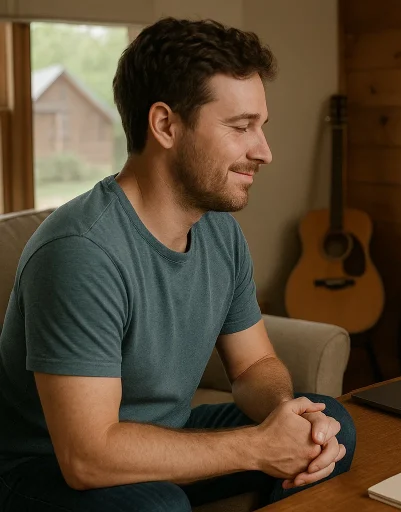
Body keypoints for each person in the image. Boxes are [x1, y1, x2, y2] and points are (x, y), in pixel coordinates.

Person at [0, 17, 355, 512]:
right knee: (156, 505)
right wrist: (256, 447)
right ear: (166, 125)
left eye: (261, 126)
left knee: (334, 424)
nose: (264, 151)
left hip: (164, 437)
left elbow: (254, 365)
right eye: (240, 127)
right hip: (44, 473)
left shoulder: (219, 232)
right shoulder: (81, 251)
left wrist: (287, 419)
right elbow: (87, 457)